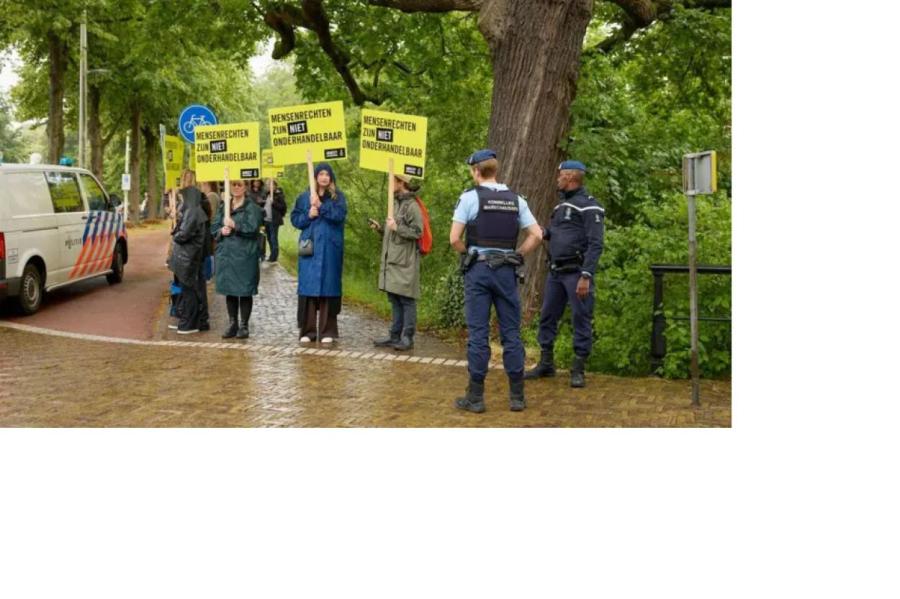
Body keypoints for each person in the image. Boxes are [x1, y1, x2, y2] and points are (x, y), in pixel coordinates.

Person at [450, 149, 543, 413]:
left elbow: (454, 238)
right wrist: (518, 255)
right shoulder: (516, 200)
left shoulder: (469, 198)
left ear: (475, 171)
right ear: (496, 171)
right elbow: (536, 234)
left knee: (479, 334)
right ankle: (517, 396)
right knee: (511, 333)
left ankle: (476, 398)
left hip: (479, 271)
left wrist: (467, 253)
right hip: (506, 272)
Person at [524, 160, 605, 388]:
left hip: (577, 273)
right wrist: (542, 232)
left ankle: (578, 369)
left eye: (560, 176)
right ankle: (546, 363)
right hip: (556, 273)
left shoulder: (590, 207)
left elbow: (596, 244)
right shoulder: (560, 207)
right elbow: (560, 233)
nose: (557, 179)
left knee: (581, 318)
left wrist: (586, 275)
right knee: (548, 316)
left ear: (570, 178)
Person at [291, 163, 347, 344]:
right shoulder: (304, 197)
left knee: (328, 286)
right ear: (315, 176)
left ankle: (327, 331)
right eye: (320, 174)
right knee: (308, 287)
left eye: (327, 174)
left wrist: (321, 206)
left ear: (331, 178)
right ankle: (308, 330)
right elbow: (296, 220)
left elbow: (339, 216)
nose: (324, 177)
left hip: (330, 248)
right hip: (309, 246)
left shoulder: (338, 198)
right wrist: (309, 214)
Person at [371, 174, 423, 351]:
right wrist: (381, 229)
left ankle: (407, 338)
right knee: (394, 298)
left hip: (405, 262)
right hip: (392, 261)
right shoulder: (394, 203)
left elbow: (417, 232)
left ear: (401, 183)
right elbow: (393, 233)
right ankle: (394, 335)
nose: (389, 185)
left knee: (406, 299)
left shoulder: (412, 206)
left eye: (392, 181)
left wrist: (396, 227)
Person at [210, 178, 264, 339]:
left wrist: (235, 226)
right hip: (226, 255)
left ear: (245, 187)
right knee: (230, 291)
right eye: (233, 184)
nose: (236, 187)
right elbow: (213, 227)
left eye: (239, 184)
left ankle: (244, 325)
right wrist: (221, 231)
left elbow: (253, 228)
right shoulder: (223, 207)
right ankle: (232, 323)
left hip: (244, 255)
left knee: (244, 290)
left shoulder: (252, 208)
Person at [167, 169, 209, 334]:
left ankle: (191, 321)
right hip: (193, 252)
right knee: (194, 286)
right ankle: (196, 319)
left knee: (191, 287)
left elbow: (186, 231)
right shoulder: (196, 201)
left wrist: (176, 235)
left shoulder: (192, 203)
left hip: (190, 253)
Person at [263, 179, 287, 262]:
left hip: (274, 220)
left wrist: (274, 203)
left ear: (275, 186)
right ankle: (271, 255)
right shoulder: (266, 195)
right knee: (269, 238)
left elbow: (283, 207)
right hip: (266, 220)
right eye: (268, 185)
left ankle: (274, 257)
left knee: (273, 238)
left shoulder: (279, 195)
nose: (270, 186)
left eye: (272, 185)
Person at [249, 179, 268, 261]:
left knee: (262, 235)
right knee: (252, 235)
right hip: (251, 218)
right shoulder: (248, 192)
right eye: (255, 181)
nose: (256, 182)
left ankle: (262, 254)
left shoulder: (263, 192)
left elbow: (267, 203)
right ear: (252, 182)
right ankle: (253, 253)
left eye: (258, 181)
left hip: (261, 218)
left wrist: (262, 201)